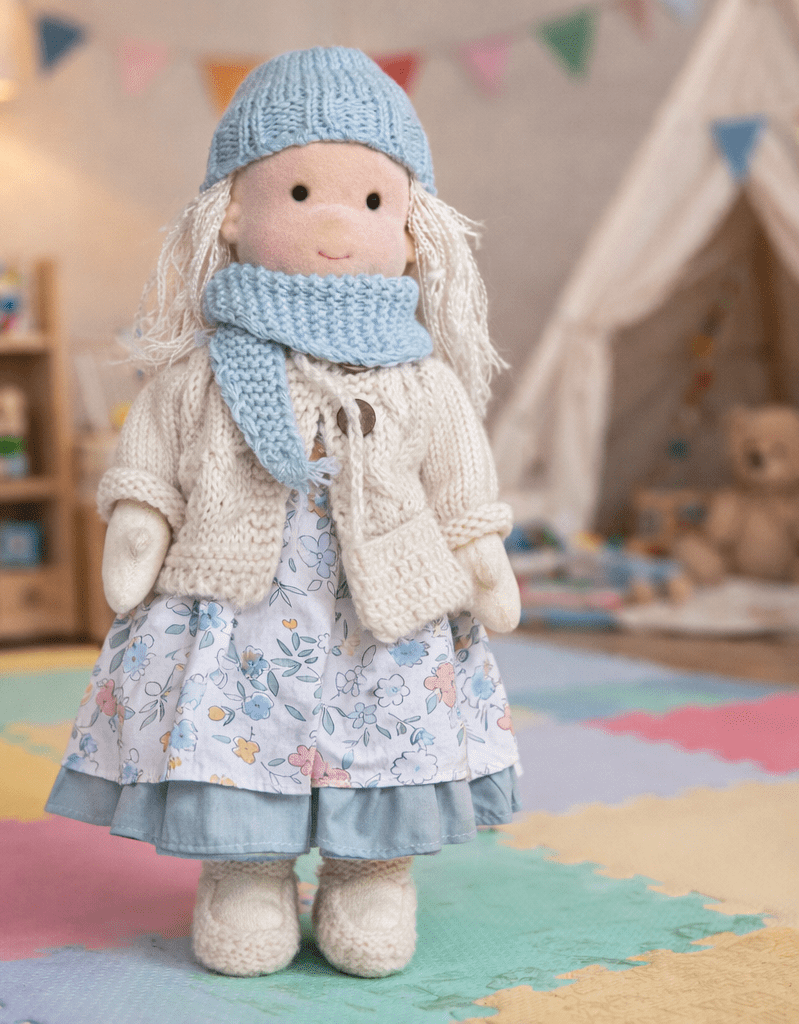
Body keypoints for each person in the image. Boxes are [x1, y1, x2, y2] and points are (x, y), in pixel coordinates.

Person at [47, 46, 521, 980]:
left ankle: (370, 873)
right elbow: (157, 445)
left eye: (373, 202)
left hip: (385, 613)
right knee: (238, 728)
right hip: (240, 607)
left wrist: (479, 546)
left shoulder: (419, 376)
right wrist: (141, 516)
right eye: (301, 195)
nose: (340, 223)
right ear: (232, 213)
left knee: (383, 727)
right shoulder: (207, 366)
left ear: (413, 228)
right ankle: (245, 875)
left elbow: (457, 470)